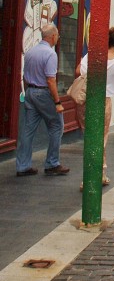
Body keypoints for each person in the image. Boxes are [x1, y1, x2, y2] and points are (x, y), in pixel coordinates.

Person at [76, 25, 114, 185]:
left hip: (86, 98)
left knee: (89, 136)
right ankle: (99, 173)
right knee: (102, 137)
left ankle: (90, 174)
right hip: (104, 99)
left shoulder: (92, 56)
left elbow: (79, 70)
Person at [16, 24, 69, 176]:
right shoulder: (50, 54)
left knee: (28, 129)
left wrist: (29, 90)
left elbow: (25, 74)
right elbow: (51, 80)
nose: (58, 37)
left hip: (30, 91)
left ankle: (22, 166)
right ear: (52, 36)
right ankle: (52, 163)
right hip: (43, 93)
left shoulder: (31, 52)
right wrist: (57, 102)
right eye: (57, 35)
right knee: (56, 125)